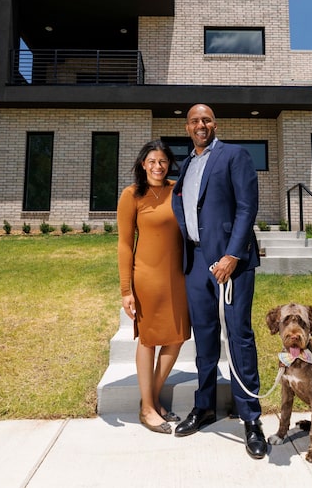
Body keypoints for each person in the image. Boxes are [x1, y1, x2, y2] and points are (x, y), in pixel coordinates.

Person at [170, 103, 267, 459]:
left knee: (239, 336)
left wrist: (232, 255)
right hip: (196, 262)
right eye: (194, 120)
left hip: (231, 263)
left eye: (206, 119)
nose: (201, 124)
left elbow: (247, 206)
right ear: (187, 127)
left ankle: (251, 419)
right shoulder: (188, 165)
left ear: (215, 124)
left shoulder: (234, 155)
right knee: (205, 338)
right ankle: (205, 406)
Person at [117, 140, 191, 434]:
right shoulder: (132, 195)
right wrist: (126, 290)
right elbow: (124, 244)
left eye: (162, 161)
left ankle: (150, 398)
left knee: (177, 337)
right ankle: (148, 408)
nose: (157, 167)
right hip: (146, 277)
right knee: (148, 340)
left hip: (178, 276)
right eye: (152, 161)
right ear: (142, 164)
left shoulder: (177, 190)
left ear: (168, 164)